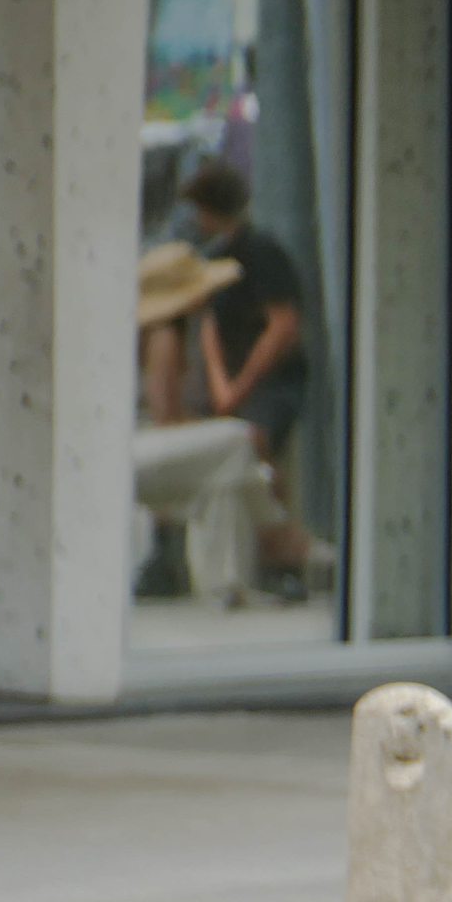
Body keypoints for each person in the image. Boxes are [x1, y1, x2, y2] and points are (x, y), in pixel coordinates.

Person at [180, 159, 314, 597]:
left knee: (258, 454)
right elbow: (211, 328)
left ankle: (284, 554)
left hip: (269, 382)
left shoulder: (262, 252)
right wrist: (221, 384)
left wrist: (238, 385)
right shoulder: (216, 259)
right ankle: (250, 558)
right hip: (235, 382)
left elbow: (282, 325)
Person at [130, 243, 286, 608]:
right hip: (138, 450)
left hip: (142, 448)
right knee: (238, 441)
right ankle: (281, 536)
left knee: (226, 475)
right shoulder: (166, 334)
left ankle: (226, 588)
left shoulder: (173, 332)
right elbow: (164, 414)